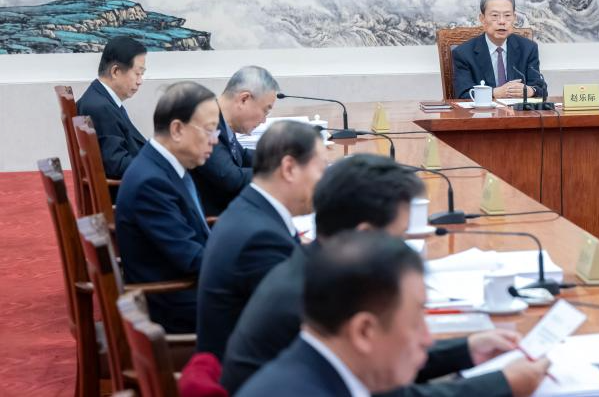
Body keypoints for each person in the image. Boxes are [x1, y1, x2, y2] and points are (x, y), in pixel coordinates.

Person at [221, 155, 547, 397]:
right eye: (399, 236)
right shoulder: (309, 297)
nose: (405, 246)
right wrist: (503, 384)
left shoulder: (319, 269)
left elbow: (377, 360)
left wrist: (466, 350)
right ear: (365, 235)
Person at [196, 120, 327, 359]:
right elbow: (300, 321)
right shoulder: (260, 238)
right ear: (289, 168)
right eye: (320, 170)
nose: (324, 182)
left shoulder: (252, 209)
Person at [115, 81, 219, 333]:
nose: (215, 140)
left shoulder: (164, 166)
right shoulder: (151, 183)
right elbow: (192, 259)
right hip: (176, 307)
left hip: (186, 289)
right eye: (209, 130)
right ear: (177, 129)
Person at [192, 66, 280, 216]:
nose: (264, 120)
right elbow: (231, 178)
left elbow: (241, 156)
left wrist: (278, 158)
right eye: (265, 111)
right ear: (244, 99)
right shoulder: (205, 123)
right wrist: (279, 172)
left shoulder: (219, 119)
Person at [452, 0, 546, 100]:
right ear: (482, 19)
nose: (502, 21)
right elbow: (463, 94)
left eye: (507, 15)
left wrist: (531, 91)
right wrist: (495, 93)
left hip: (518, 110)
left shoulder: (528, 48)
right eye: (495, 15)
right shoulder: (463, 53)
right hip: (483, 111)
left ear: (514, 18)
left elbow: (541, 88)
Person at [76, 35, 148, 179]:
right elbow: (117, 164)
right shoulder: (101, 108)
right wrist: (157, 165)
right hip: (130, 189)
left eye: (142, 74)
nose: (140, 81)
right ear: (115, 72)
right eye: (137, 73)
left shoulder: (99, 98)